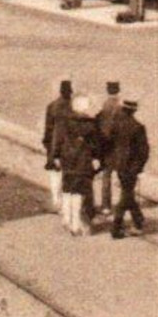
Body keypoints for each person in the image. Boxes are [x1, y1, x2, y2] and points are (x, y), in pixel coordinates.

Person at [50, 94, 102, 236]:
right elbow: (96, 146)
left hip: (67, 160)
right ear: (85, 108)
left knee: (67, 189)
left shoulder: (63, 122)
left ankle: (66, 218)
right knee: (79, 192)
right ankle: (75, 223)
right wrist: (97, 159)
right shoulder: (91, 125)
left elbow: (57, 140)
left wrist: (55, 156)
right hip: (83, 161)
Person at [104, 98, 150, 239]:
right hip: (132, 167)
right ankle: (116, 227)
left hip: (119, 165)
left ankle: (138, 219)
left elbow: (108, 143)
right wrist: (139, 167)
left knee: (127, 192)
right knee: (126, 195)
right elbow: (144, 151)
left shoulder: (115, 124)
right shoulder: (138, 127)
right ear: (134, 111)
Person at [42, 79, 75, 212]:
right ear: (70, 93)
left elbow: (48, 129)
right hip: (70, 147)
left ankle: (57, 202)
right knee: (68, 176)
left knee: (55, 175)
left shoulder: (52, 106)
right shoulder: (73, 107)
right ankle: (67, 204)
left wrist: (47, 144)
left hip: (54, 145)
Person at [95, 82, 123, 215]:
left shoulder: (105, 105)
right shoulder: (121, 107)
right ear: (118, 91)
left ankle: (106, 206)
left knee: (106, 176)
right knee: (122, 175)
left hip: (106, 146)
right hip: (118, 146)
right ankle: (123, 203)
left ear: (108, 91)